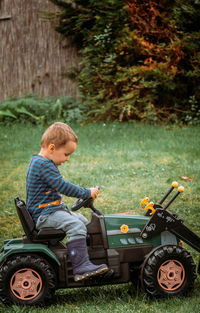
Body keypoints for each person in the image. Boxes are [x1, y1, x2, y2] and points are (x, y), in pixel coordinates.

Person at [26, 122, 108, 282]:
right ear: (52, 148)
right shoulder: (43, 165)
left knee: (82, 221)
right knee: (76, 226)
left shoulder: (41, 163)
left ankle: (89, 259)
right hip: (45, 215)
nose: (67, 158)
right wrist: (86, 192)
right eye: (66, 154)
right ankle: (81, 267)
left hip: (51, 211)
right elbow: (64, 187)